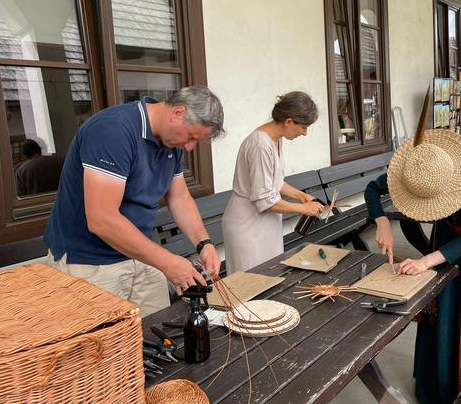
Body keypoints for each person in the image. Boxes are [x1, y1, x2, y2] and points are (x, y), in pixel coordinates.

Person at [364, 103, 461, 403]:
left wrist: (425, 261)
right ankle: (440, 382)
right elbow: (372, 191)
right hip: (446, 236)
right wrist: (382, 221)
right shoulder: (415, 167)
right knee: (443, 309)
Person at [44, 86, 225, 317]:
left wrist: (204, 243)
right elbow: (102, 219)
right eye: (191, 137)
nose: (189, 147)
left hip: (141, 254)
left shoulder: (171, 141)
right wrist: (168, 263)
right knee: (101, 348)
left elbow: (179, 197)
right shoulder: (112, 131)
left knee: (155, 334)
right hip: (90, 262)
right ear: (178, 112)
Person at [222, 92, 325, 274]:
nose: (305, 133)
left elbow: (274, 183)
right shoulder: (260, 145)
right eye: (303, 127)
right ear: (288, 122)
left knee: (271, 277)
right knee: (250, 286)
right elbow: (264, 199)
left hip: (265, 223)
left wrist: (302, 196)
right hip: (247, 226)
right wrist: (303, 209)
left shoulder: (275, 139)